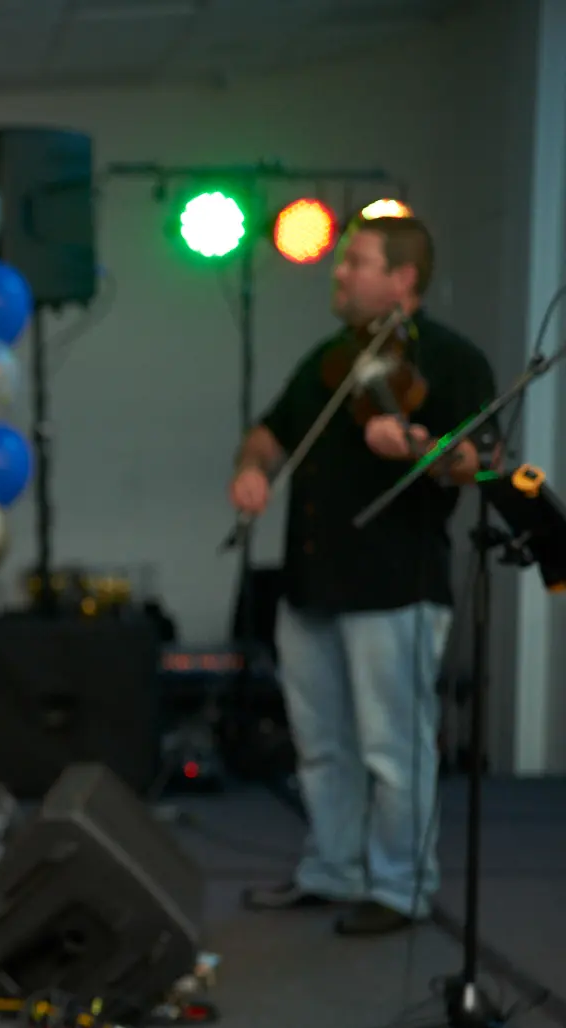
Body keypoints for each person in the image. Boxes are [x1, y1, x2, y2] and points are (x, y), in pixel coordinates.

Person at [231, 215, 497, 936]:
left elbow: (480, 458)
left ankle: (401, 885)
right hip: (312, 584)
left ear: (403, 278)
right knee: (320, 743)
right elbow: (271, 430)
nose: (339, 273)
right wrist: (255, 469)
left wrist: (416, 444)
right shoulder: (330, 358)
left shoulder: (449, 359)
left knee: (393, 744)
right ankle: (333, 868)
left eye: (357, 262)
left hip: (394, 584)